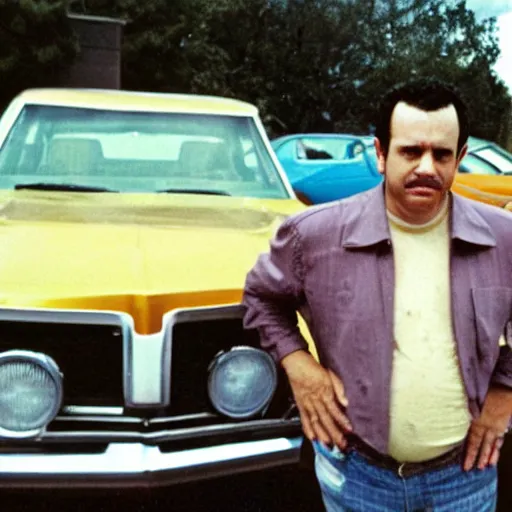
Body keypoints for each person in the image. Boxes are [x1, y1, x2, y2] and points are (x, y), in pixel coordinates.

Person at [242, 78, 512, 511]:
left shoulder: (503, 239)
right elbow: (260, 298)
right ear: (381, 154)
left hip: (465, 478)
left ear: (460, 158)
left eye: (442, 154)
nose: (426, 167)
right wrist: (300, 367)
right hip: (357, 474)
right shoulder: (314, 235)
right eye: (410, 151)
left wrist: (505, 390)